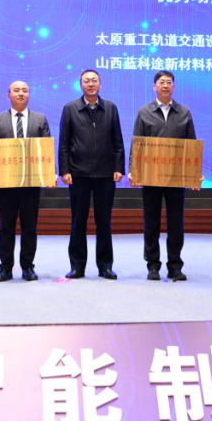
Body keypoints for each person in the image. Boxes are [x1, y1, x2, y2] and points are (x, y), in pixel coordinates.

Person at [130, 71, 196, 281]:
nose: (165, 86)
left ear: (173, 87)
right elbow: (137, 144)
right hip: (151, 176)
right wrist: (135, 171)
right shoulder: (144, 112)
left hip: (177, 176)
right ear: (154, 86)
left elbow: (191, 145)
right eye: (161, 82)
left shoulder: (184, 112)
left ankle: (175, 265)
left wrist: (194, 174)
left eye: (169, 82)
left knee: (176, 222)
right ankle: (153, 265)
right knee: (151, 222)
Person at [58, 69, 125, 280]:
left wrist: (119, 168)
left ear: (100, 84)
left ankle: (105, 266)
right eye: (86, 81)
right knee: (78, 221)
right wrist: (65, 170)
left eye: (94, 80)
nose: (90, 84)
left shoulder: (111, 108)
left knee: (104, 222)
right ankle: (77, 266)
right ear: (81, 85)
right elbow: (64, 143)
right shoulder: (70, 108)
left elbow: (118, 142)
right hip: (78, 174)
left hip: (105, 174)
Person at [0, 81, 51, 282]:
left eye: (24, 90)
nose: (21, 93)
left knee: (29, 226)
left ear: (29, 95)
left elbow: (46, 151)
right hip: (6, 184)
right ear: (8, 95)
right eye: (16, 90)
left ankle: (28, 267)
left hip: (31, 184)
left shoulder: (40, 119)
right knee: (6, 227)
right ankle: (5, 267)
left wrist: (49, 174)